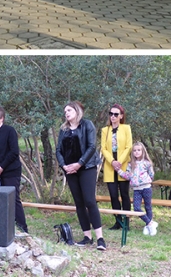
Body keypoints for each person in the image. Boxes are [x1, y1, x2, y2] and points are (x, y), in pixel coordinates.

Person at [56, 101, 105, 250]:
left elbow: (91, 146)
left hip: (87, 167)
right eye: (65, 111)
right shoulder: (63, 129)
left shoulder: (87, 125)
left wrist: (79, 163)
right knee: (79, 203)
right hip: (70, 170)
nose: (67, 113)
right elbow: (58, 150)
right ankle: (87, 237)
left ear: (77, 111)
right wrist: (64, 166)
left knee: (90, 201)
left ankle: (100, 239)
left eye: (69, 110)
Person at [0, 105, 28, 234]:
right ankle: (4, 228)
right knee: (0, 200)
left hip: (11, 171)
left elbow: (14, 152)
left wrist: (1, 167)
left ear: (1, 118)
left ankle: (22, 228)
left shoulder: (9, 131)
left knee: (13, 199)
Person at [100, 104, 133, 229]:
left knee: (124, 194)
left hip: (123, 165)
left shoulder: (126, 128)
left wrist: (119, 161)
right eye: (111, 114)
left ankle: (126, 221)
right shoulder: (105, 130)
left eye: (116, 114)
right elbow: (103, 148)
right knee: (113, 195)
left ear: (121, 116)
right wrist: (112, 161)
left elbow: (128, 146)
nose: (112, 116)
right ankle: (118, 221)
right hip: (110, 166)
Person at [115, 141, 157, 235]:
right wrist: (119, 171)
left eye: (139, 150)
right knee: (137, 208)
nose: (136, 152)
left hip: (146, 188)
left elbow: (151, 174)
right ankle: (150, 223)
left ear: (143, 151)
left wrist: (147, 180)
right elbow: (128, 175)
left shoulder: (147, 163)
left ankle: (148, 227)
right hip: (136, 189)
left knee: (148, 207)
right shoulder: (131, 164)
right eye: (134, 150)